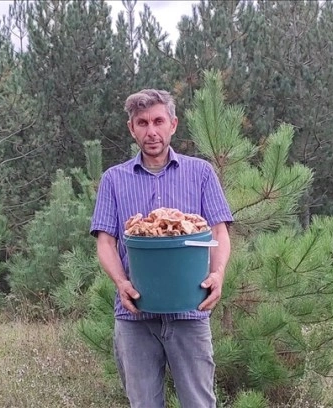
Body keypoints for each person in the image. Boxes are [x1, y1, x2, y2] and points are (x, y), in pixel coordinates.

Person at [90, 89, 233, 408]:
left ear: (173, 124)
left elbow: (219, 232)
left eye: (158, 121)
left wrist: (218, 274)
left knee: (198, 402)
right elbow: (106, 241)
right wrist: (120, 283)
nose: (151, 131)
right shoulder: (114, 179)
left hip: (189, 311)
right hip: (135, 315)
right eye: (142, 123)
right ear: (131, 128)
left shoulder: (201, 173)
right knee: (143, 403)